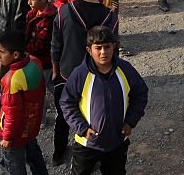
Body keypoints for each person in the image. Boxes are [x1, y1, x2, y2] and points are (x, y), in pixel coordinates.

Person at [51, 0, 119, 165]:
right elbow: (114, 47)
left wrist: (55, 69)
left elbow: (56, 43)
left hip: (67, 74)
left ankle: (58, 153)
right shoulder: (109, 16)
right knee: (95, 116)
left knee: (63, 116)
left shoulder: (64, 11)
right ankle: (96, 153)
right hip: (97, 77)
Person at [60, 25, 148, 175]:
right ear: (89, 50)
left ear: (114, 47)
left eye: (107, 47)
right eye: (98, 48)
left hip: (117, 142)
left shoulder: (125, 70)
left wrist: (130, 121)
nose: (103, 52)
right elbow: (67, 103)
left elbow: (141, 94)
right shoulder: (80, 74)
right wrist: (82, 128)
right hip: (86, 144)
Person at [0, 32, 48, 175]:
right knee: (34, 155)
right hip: (31, 126)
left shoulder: (12, 79)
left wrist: (7, 137)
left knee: (15, 165)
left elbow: (12, 112)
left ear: (16, 55)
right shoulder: (35, 62)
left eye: (2, 52)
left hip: (16, 134)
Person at [25, 0, 57, 79]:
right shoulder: (32, 14)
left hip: (44, 61)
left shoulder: (49, 19)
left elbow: (40, 46)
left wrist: (25, 49)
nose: (29, 3)